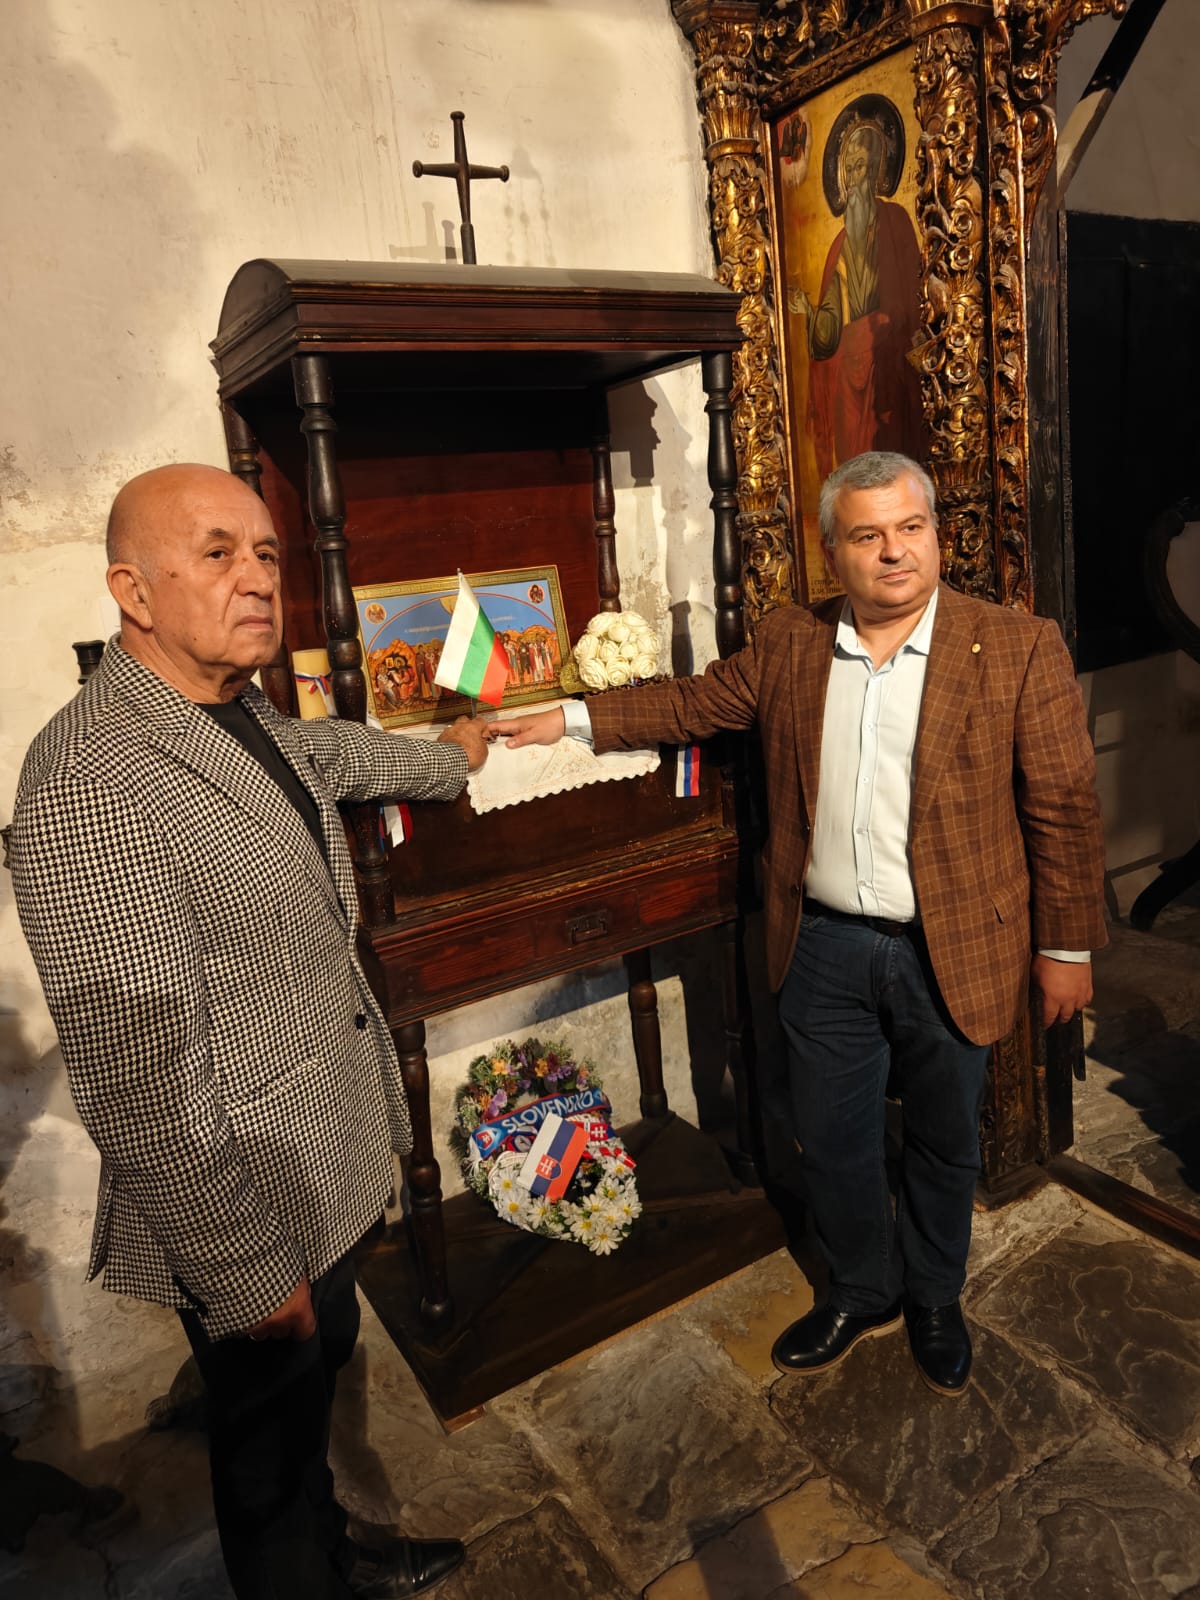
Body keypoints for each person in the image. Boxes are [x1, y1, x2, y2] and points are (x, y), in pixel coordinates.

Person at [489, 450, 1106, 1398]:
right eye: (868, 535)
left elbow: (1063, 805)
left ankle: (935, 1297)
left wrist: (1064, 948)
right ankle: (862, 1288)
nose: (894, 551)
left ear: (936, 534)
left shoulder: (1016, 646)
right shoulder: (792, 642)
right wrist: (566, 720)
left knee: (944, 1140)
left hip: (955, 946)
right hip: (823, 946)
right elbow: (691, 703)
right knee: (835, 1137)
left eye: (911, 528)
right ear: (833, 552)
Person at [11, 464, 489, 1599]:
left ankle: (339, 1546)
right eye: (218, 552)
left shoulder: (235, 708)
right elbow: (137, 1077)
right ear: (133, 590)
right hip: (244, 1201)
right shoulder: (91, 778)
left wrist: (453, 758)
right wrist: (244, 1269)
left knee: (313, 1396)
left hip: (314, 1163)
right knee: (267, 1455)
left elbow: (328, 760)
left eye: (268, 553)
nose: (261, 578)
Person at [788, 116, 926, 478]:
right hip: (848, 372)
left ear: (877, 168)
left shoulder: (895, 221)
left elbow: (916, 293)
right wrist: (810, 313)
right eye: (848, 169)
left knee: (893, 465)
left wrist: (903, 336)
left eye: (860, 165)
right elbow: (830, 327)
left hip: (888, 365)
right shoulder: (839, 245)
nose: (853, 178)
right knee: (853, 467)